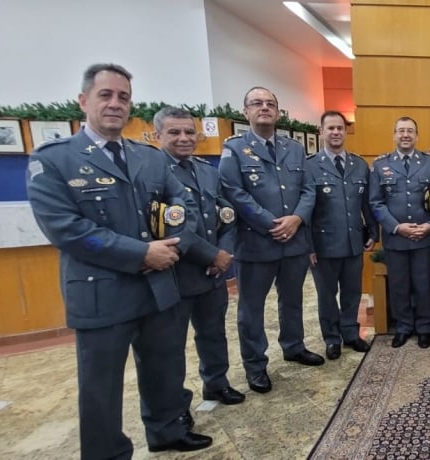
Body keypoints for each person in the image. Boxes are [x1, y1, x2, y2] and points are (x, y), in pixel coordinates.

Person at [26, 63, 213, 458]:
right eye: (105, 95)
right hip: (101, 292)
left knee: (164, 368)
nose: (115, 104)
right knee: (100, 387)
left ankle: (166, 431)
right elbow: (66, 230)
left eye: (123, 97)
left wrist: (173, 245)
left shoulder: (149, 158)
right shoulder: (55, 159)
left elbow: (183, 203)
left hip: (159, 284)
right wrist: (142, 253)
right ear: (83, 101)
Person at [219, 86, 321, 395]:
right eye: (257, 103)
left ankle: (293, 346)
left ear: (277, 112)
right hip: (256, 243)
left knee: (292, 300)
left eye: (270, 104)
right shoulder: (235, 149)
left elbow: (308, 189)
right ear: (245, 111)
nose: (264, 107)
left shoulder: (294, 148)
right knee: (252, 308)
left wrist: (297, 219)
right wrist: (270, 223)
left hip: (294, 240)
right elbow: (233, 192)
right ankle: (255, 365)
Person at [154, 107, 245, 420]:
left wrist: (225, 252)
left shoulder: (207, 170)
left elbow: (227, 215)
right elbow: (171, 225)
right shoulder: (154, 172)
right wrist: (212, 255)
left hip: (213, 272)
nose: (183, 138)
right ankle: (175, 409)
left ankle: (216, 383)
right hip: (177, 273)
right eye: (174, 132)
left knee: (213, 333)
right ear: (158, 136)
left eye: (189, 132)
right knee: (170, 347)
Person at [369, 117, 430, 348]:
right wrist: (397, 226)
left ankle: (424, 328)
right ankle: (403, 327)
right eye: (401, 131)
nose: (405, 135)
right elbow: (375, 202)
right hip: (396, 237)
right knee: (399, 285)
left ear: (417, 136)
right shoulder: (381, 165)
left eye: (410, 131)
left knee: (424, 285)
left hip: (424, 237)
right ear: (394, 135)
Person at [306, 110, 377, 359]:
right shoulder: (310, 166)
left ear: (346, 132)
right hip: (323, 244)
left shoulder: (359, 165)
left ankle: (350, 334)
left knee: (352, 292)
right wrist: (308, 246)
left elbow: (366, 203)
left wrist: (373, 231)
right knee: (327, 295)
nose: (335, 132)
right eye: (331, 128)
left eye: (340, 128)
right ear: (321, 132)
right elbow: (305, 209)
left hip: (353, 241)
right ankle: (332, 338)